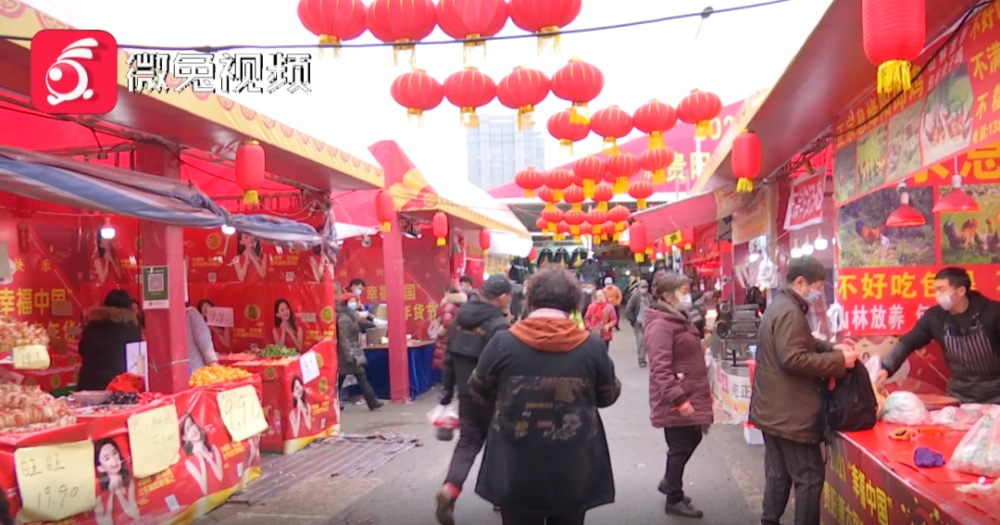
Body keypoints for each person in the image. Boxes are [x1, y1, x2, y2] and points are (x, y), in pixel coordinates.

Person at [467, 267, 621, 525]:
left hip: (514, 461)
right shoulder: (591, 346)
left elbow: (477, 390)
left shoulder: (502, 342)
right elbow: (608, 395)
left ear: (530, 300)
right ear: (574, 304)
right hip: (574, 463)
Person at [749, 256, 858, 525]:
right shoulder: (789, 311)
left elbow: (804, 343)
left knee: (778, 473)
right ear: (800, 282)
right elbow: (793, 358)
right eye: (817, 285)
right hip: (790, 413)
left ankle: (769, 520)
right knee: (809, 477)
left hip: (772, 409)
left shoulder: (780, 305)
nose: (818, 291)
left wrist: (831, 348)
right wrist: (838, 362)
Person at [435, 275, 513, 525]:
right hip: (493, 396)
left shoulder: (459, 319)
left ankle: (450, 489)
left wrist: (446, 394)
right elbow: (504, 365)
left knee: (467, 443)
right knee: (500, 445)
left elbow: (448, 358)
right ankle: (502, 498)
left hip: (466, 395)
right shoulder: (497, 326)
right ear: (502, 297)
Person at [644, 273, 713, 517]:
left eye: (688, 290)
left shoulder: (679, 319)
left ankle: (670, 483)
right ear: (666, 296)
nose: (688, 295)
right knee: (680, 446)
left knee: (690, 440)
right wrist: (679, 399)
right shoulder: (662, 325)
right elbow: (661, 368)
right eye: (683, 290)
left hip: (690, 391)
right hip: (676, 396)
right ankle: (673, 496)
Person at [878, 267, 1000, 403]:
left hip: (996, 391)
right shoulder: (935, 317)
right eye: (936, 289)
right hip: (960, 394)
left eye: (942, 289)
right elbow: (907, 343)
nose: (937, 294)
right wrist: (886, 368)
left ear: (961, 291)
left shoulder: (993, 313)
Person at [78, 290, 144, 391]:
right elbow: (137, 360)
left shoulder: (92, 326)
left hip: (88, 385)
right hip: (117, 386)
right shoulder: (131, 329)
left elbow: (82, 349)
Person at [336, 295, 382, 411]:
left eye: (355, 301)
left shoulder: (351, 316)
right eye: (351, 301)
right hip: (347, 352)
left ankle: (372, 402)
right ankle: (372, 402)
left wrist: (373, 323)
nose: (354, 303)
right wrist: (348, 354)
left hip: (353, 350)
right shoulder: (344, 318)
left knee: (345, 378)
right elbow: (343, 338)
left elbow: (357, 327)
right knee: (358, 376)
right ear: (345, 303)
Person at [93, 438, 139, 525]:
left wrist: (118, 492)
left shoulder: (130, 482)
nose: (114, 460)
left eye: (114, 453)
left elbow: (136, 514)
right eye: (107, 459)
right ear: (100, 468)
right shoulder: (99, 498)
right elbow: (105, 523)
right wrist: (111, 494)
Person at [180, 413, 224, 496]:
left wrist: (207, 456)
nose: (193, 430)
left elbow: (220, 477)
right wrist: (201, 460)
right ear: (185, 437)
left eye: (192, 424)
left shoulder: (213, 449)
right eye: (188, 429)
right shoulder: (189, 462)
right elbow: (204, 490)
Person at [431, 284, 467, 372]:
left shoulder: (449, 305)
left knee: (446, 365)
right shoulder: (460, 305)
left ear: (448, 292)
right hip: (458, 338)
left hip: (447, 339)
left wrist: (438, 333)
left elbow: (446, 324)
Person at [185, 302, 218, 374]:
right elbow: (205, 342)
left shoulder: (189, 313)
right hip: (197, 371)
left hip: (192, 371)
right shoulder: (191, 313)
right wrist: (213, 363)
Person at [625, 279, 653, 367]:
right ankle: (641, 360)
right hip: (638, 323)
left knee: (650, 341)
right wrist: (633, 320)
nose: (645, 289)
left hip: (648, 322)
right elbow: (628, 310)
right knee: (641, 341)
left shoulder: (649, 296)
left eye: (646, 287)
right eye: (643, 287)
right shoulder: (635, 297)